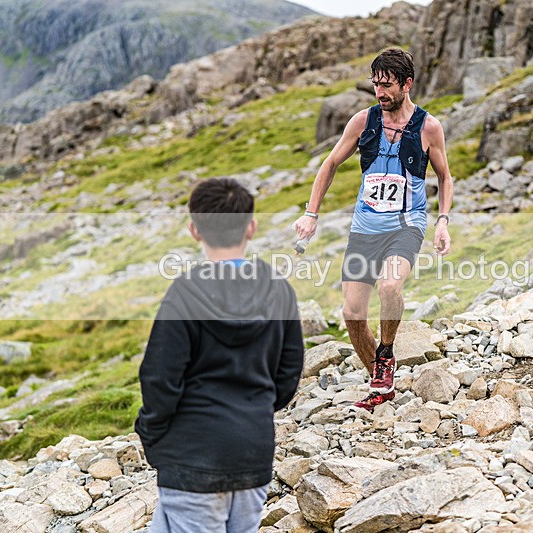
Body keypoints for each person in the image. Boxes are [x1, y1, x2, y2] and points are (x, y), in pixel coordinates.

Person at [136, 178, 305, 533]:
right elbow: (288, 376)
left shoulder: (184, 294)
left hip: (190, 458)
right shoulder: (280, 291)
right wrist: (250, 410)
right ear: (252, 227)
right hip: (252, 451)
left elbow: (159, 380)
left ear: (194, 230)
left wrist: (151, 435)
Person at [294, 47, 454, 412]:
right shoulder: (362, 122)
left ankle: (385, 355)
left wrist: (442, 221)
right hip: (365, 227)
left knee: (390, 284)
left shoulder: (428, 127)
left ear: (407, 84)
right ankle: (381, 383)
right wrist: (311, 214)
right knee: (352, 314)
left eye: (387, 86)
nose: (380, 93)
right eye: (376, 84)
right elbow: (330, 163)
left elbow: (445, 177)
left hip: (406, 224)